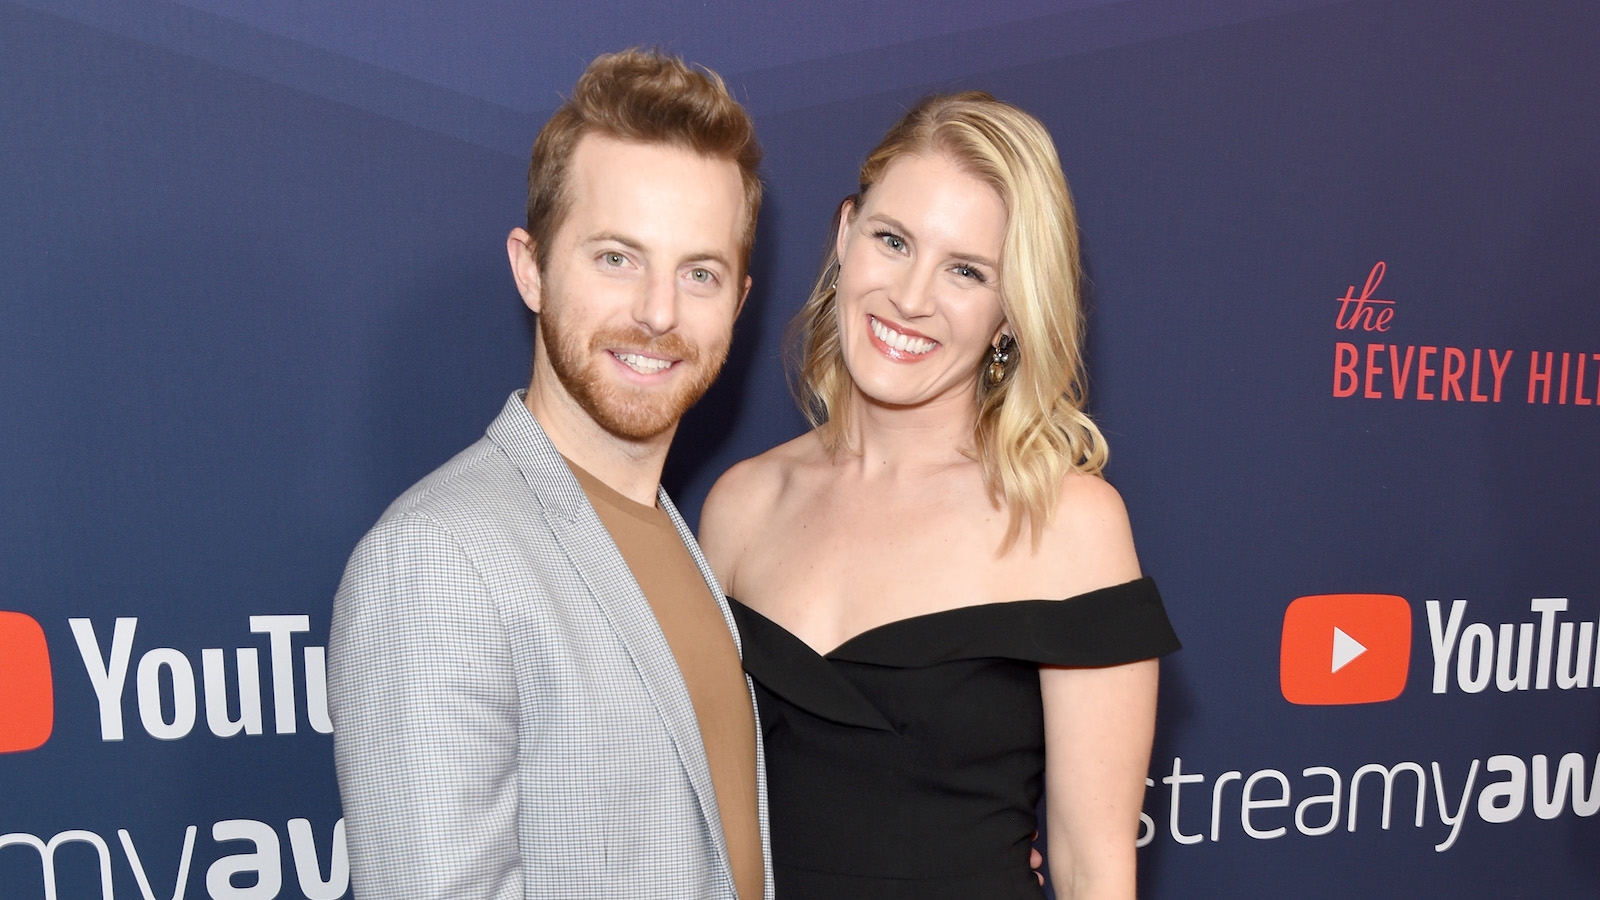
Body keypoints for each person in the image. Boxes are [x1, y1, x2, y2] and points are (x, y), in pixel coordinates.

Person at [699, 92, 1180, 899]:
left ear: (1008, 315)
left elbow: (1093, 867)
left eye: (966, 271)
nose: (911, 298)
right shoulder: (741, 506)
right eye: (893, 241)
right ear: (845, 234)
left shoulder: (1067, 526)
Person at [327, 49, 770, 900]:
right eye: (616, 258)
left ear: (740, 301)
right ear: (531, 268)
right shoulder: (436, 560)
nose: (658, 312)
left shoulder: (683, 535)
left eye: (699, 272)